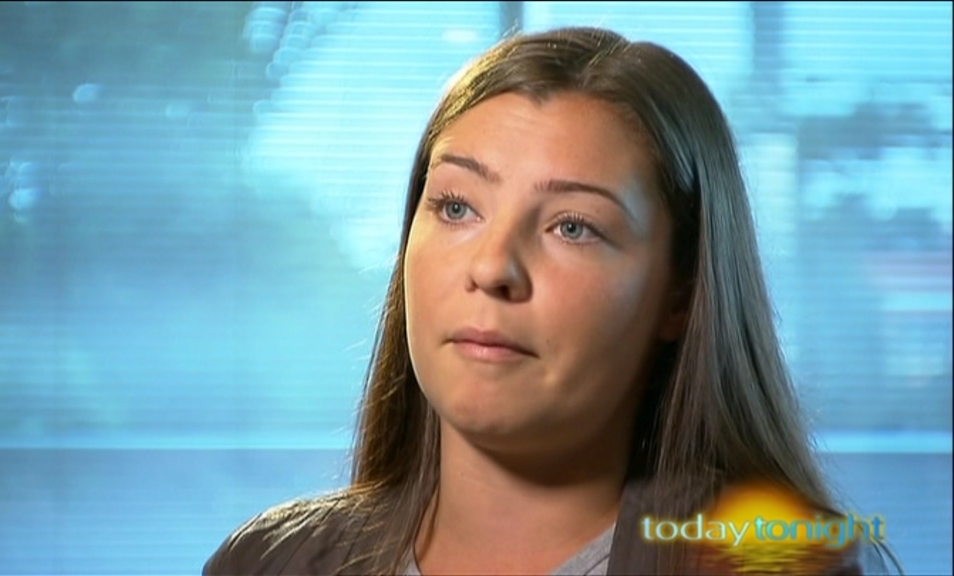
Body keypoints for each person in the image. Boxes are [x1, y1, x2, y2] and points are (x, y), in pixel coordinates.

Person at [204, 26, 899, 575]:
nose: (492, 268)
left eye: (573, 227)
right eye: (456, 207)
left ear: (679, 294)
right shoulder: (267, 564)